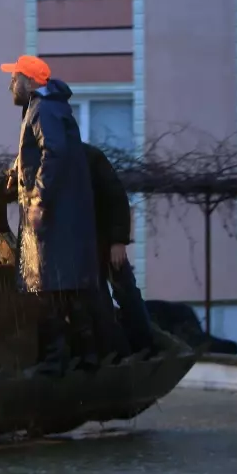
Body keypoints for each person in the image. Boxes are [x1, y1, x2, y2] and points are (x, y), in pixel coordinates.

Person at [0, 55, 128, 370]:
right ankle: (86, 359)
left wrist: (39, 200)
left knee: (49, 289)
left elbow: (53, 151)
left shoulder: (43, 110)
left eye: (14, 78)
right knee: (64, 290)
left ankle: (56, 362)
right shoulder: (49, 108)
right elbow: (44, 155)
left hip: (52, 221)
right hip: (59, 221)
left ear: (28, 82)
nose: (10, 85)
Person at [82, 141, 156, 356]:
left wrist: (117, 242)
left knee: (126, 293)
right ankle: (119, 351)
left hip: (103, 241)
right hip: (83, 247)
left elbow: (116, 198)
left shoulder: (90, 157)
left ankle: (145, 347)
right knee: (100, 300)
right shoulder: (50, 159)